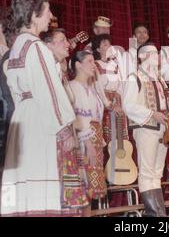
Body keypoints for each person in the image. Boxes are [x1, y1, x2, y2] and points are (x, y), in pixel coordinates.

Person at [0, 0, 87, 216]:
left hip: (24, 119)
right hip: (41, 120)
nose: (50, 16)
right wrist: (65, 128)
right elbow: (48, 89)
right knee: (46, 186)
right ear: (33, 15)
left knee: (28, 187)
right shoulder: (36, 47)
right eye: (47, 11)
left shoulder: (17, 46)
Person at [122, 42, 169, 217]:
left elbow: (163, 101)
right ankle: (154, 213)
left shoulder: (159, 79)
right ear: (142, 57)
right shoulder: (134, 77)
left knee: (157, 172)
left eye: (157, 53)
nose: (157, 57)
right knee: (146, 171)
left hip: (163, 129)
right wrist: (153, 114)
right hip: (145, 127)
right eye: (153, 54)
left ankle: (160, 213)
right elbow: (128, 105)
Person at [69, 50, 107, 216]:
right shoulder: (72, 87)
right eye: (90, 62)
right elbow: (77, 119)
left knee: (90, 189)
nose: (94, 65)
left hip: (95, 139)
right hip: (83, 142)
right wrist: (89, 144)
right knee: (82, 185)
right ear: (78, 65)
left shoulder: (92, 89)